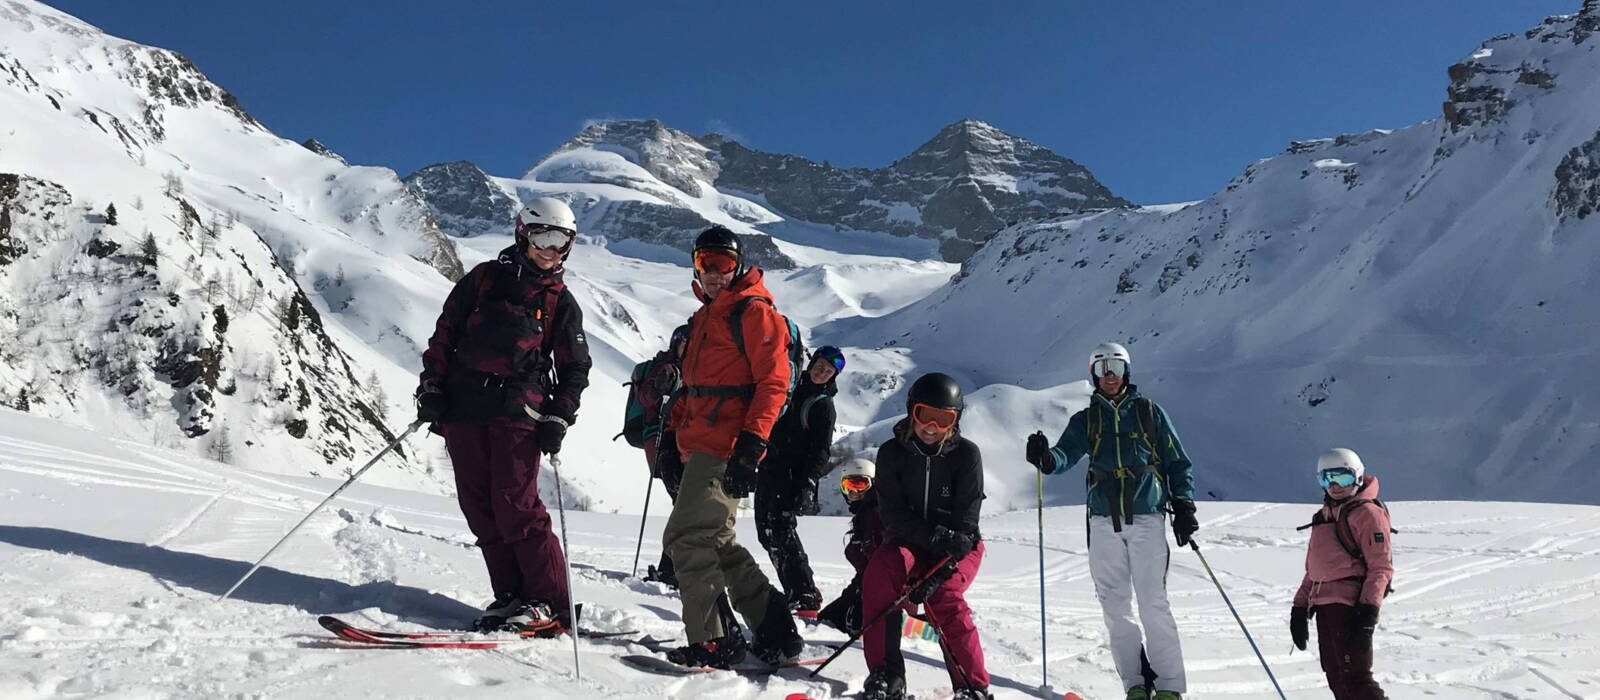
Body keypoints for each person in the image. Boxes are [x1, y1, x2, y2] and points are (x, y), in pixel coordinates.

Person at [414, 197, 592, 637]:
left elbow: (575, 367)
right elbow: (445, 336)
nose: (552, 251)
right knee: (479, 508)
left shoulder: (560, 302)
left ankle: (549, 602)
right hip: (464, 408)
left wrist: (559, 416)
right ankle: (511, 594)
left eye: (563, 242)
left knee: (516, 507)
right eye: (544, 238)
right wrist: (432, 386)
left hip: (518, 412)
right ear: (522, 233)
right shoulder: (483, 281)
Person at [660, 226, 804, 668]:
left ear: (737, 265)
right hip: (700, 443)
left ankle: (711, 641)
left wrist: (752, 445)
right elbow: (697, 389)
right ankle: (774, 625)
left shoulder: (753, 310)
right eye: (707, 263)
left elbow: (773, 382)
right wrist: (672, 436)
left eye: (724, 264)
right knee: (716, 540)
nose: (716, 273)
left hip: (726, 445)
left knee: (686, 538)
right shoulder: (708, 314)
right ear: (696, 266)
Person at [1025, 342, 1195, 700]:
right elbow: (1064, 455)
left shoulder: (1149, 412)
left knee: (1153, 603)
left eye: (1115, 365)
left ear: (1127, 370)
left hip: (1147, 516)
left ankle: (1169, 688)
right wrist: (1045, 459)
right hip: (1103, 520)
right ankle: (1134, 683)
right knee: (1115, 605)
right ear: (1093, 375)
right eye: (1102, 368)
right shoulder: (1086, 419)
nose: (1110, 374)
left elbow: (1177, 460)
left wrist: (1184, 506)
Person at [861, 373, 989, 700]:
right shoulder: (892, 453)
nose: (931, 426)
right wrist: (935, 539)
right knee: (880, 572)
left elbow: (965, 529)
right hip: (911, 542)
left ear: (955, 421)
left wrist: (941, 569)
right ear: (910, 412)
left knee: (944, 595)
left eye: (943, 419)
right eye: (924, 415)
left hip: (958, 548)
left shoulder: (966, 456)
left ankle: (971, 686)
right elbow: (893, 517)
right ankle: (886, 674)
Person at [1291, 448, 1393, 700]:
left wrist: (1368, 612)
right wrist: (1299, 608)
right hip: (1324, 607)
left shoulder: (1367, 513)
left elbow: (1381, 567)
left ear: (1357, 478)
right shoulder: (1323, 516)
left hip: (1350, 607)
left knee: (1355, 678)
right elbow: (1314, 570)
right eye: (1327, 479)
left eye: (1343, 478)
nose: (1335, 486)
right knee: (1336, 676)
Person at [756, 345, 845, 615]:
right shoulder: (790, 389)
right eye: (820, 366)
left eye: (828, 371)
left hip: (793, 478)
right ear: (811, 362)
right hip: (769, 470)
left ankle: (804, 593)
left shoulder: (823, 406)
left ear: (833, 377)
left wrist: (808, 484)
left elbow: (821, 451)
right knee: (766, 533)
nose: (821, 372)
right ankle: (795, 590)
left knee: (781, 531)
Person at [640, 324, 691, 588]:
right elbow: (646, 397)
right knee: (686, 506)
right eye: (686, 343)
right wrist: (659, 388)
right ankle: (671, 569)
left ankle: (670, 568)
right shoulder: (667, 368)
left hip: (688, 442)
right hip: (667, 442)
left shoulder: (700, 369)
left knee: (684, 507)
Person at [816, 457, 884, 635]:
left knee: (844, 622)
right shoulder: (864, 515)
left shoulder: (876, 514)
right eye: (849, 486)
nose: (854, 492)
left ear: (874, 484)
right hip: (864, 584)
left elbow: (881, 565)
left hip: (883, 589)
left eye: (860, 485)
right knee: (827, 619)